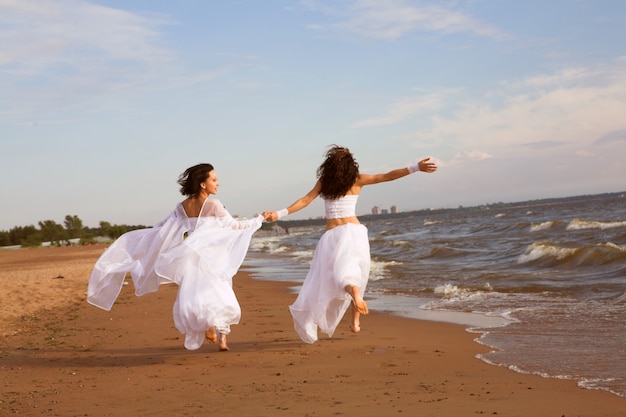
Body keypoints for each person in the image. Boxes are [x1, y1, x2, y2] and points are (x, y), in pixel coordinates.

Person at [264, 145, 437, 344]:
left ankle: (353, 296)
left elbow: (304, 201)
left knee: (337, 276)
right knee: (358, 275)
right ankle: (355, 322)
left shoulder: (324, 183)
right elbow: (387, 176)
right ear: (350, 166)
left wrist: (279, 214)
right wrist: (415, 167)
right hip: (355, 232)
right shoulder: (357, 180)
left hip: (332, 235)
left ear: (328, 166)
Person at [88, 163, 268, 351]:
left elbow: (161, 226)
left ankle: (210, 328)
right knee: (220, 291)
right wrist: (259, 219)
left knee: (196, 294)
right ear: (202, 184)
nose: (218, 183)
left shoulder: (182, 207)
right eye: (214, 180)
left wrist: (143, 243)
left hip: (190, 258)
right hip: (213, 257)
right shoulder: (214, 204)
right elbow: (234, 226)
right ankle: (222, 338)